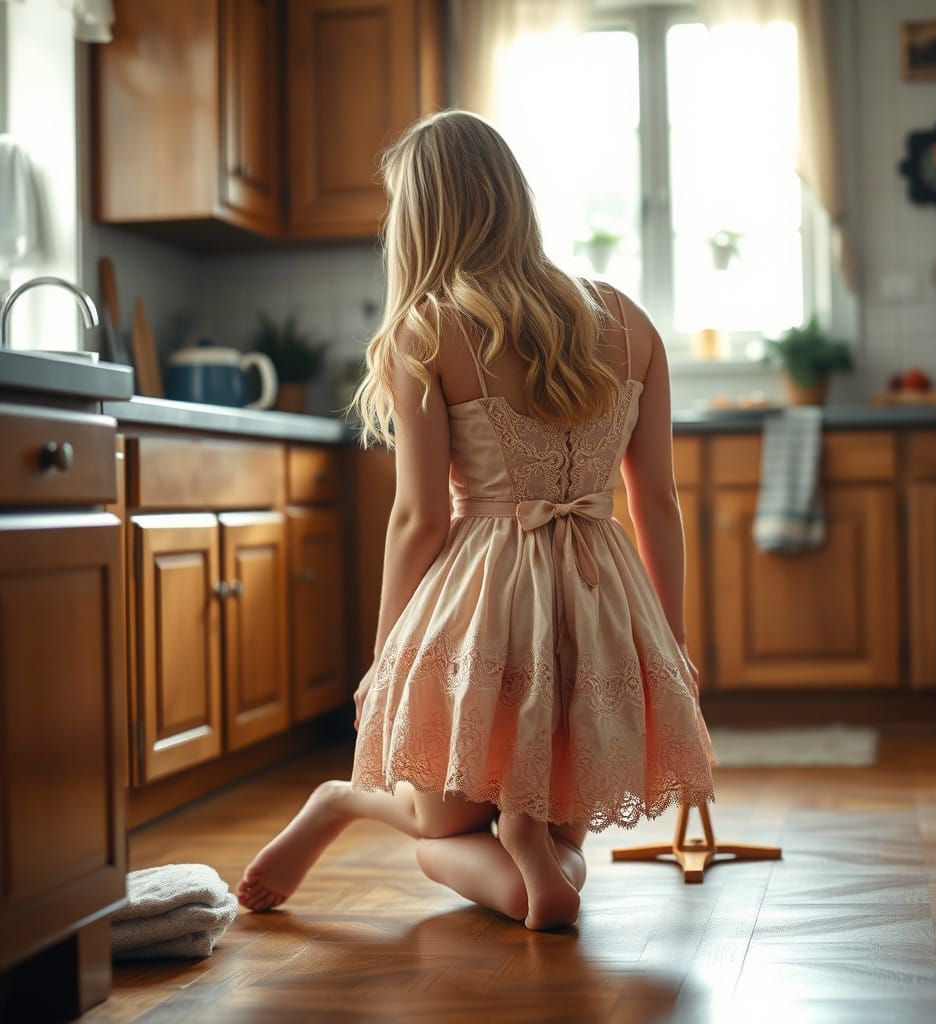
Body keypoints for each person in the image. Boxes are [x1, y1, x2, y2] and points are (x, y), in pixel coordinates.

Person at [238, 110, 716, 930]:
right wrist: (669, 640)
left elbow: (419, 519)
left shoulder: (427, 330)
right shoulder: (629, 322)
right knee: (558, 848)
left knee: (438, 830)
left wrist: (386, 659)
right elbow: (658, 503)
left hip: (483, 596)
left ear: (424, 215)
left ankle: (341, 802)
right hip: (599, 601)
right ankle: (532, 842)